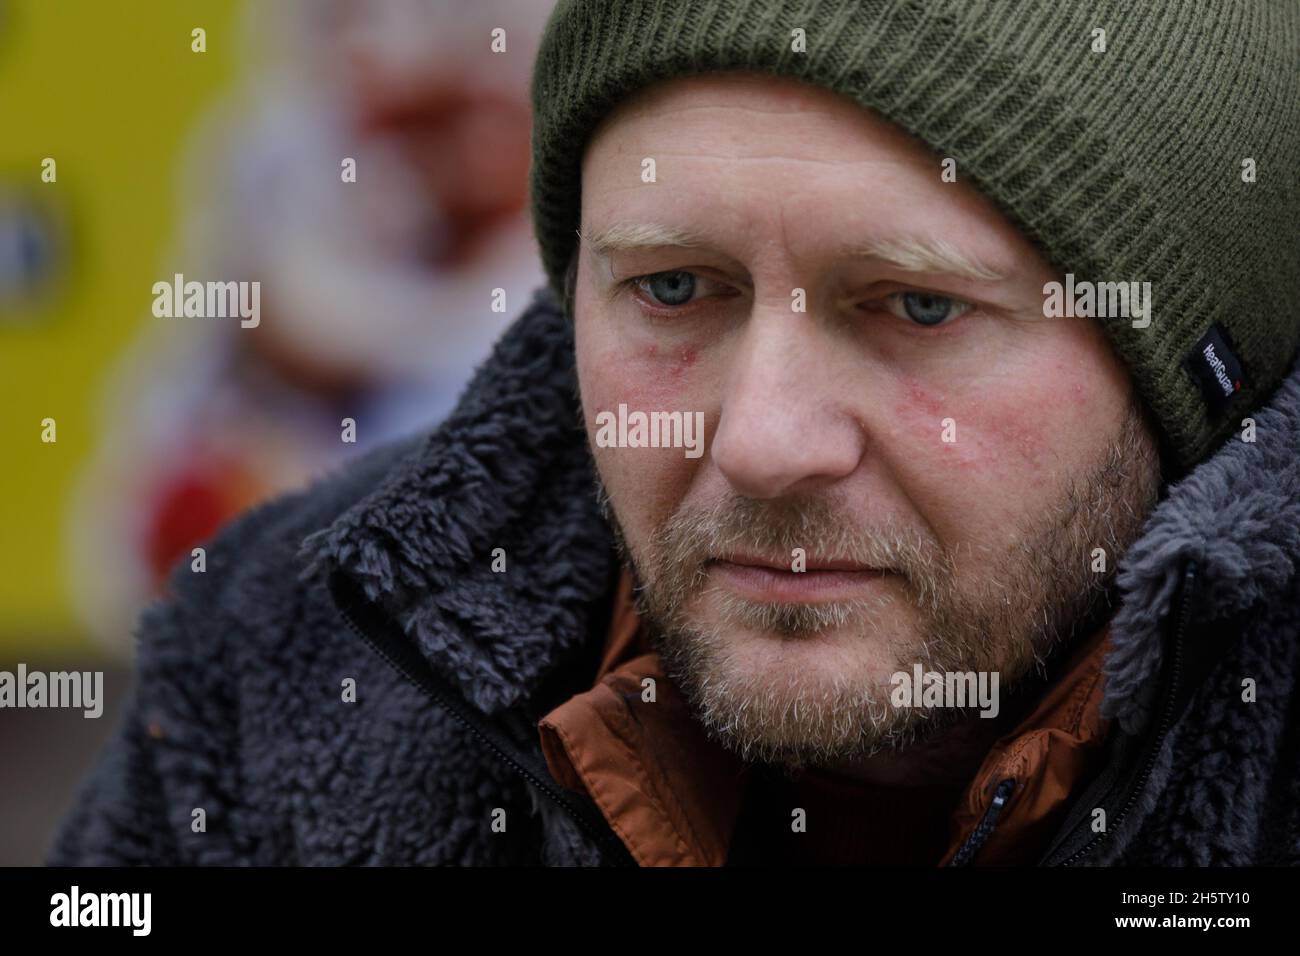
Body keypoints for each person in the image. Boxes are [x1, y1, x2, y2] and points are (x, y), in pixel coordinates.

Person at [49, 0, 1300, 866]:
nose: (760, 440)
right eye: (672, 288)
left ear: (1197, 365)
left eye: (918, 305)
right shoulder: (277, 661)